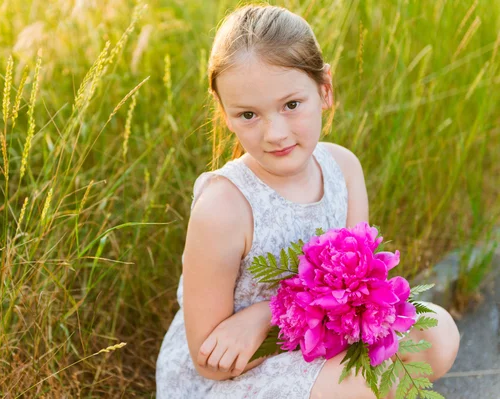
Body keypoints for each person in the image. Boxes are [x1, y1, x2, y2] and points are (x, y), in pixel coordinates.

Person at [155, 4, 460, 398]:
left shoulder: (343, 169)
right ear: (225, 114)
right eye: (248, 114)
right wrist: (271, 332)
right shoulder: (224, 208)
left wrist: (265, 315)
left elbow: (356, 292)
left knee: (437, 331)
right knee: (360, 383)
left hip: (317, 347)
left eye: (291, 105)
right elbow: (208, 362)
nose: (275, 133)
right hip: (237, 376)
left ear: (325, 89)